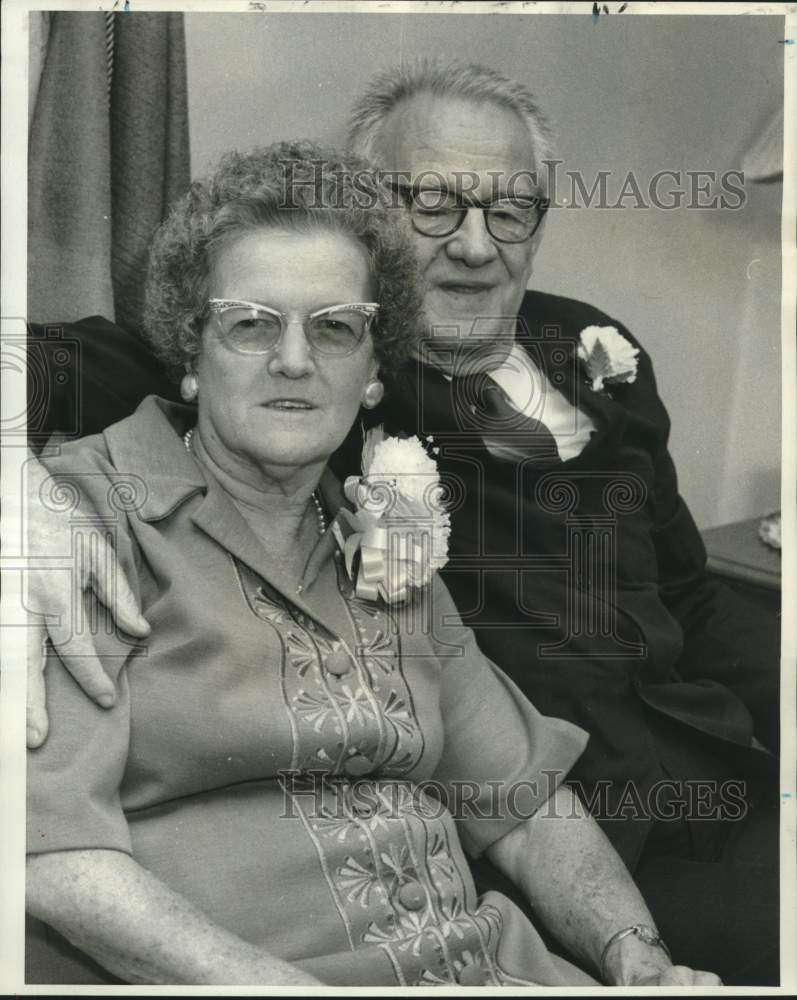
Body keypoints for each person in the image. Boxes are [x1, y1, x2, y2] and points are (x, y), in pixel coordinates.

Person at [24, 62, 779, 984]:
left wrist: (639, 958)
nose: (293, 360)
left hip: (661, 808)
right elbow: (49, 850)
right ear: (190, 350)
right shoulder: (106, 513)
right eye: (431, 205)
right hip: (515, 865)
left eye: (508, 211)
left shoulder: (415, 520)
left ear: (372, 358)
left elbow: (551, 766)